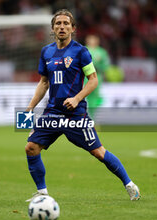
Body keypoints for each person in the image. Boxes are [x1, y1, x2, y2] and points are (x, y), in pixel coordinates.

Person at [24, 9, 140, 202]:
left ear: (73, 28)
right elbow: (44, 82)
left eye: (66, 24)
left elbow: (93, 80)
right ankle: (42, 193)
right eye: (58, 24)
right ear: (52, 28)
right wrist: (30, 108)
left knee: (98, 152)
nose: (62, 27)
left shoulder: (80, 52)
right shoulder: (46, 52)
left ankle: (129, 184)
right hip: (52, 112)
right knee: (31, 148)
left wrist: (77, 98)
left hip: (75, 114)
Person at [84, 34, 110, 118]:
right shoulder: (83, 50)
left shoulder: (102, 52)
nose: (92, 41)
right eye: (90, 39)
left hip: (96, 75)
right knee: (84, 95)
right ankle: (83, 117)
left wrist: (104, 73)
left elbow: (105, 65)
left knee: (95, 96)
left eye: (94, 39)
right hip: (85, 77)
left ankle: (92, 117)